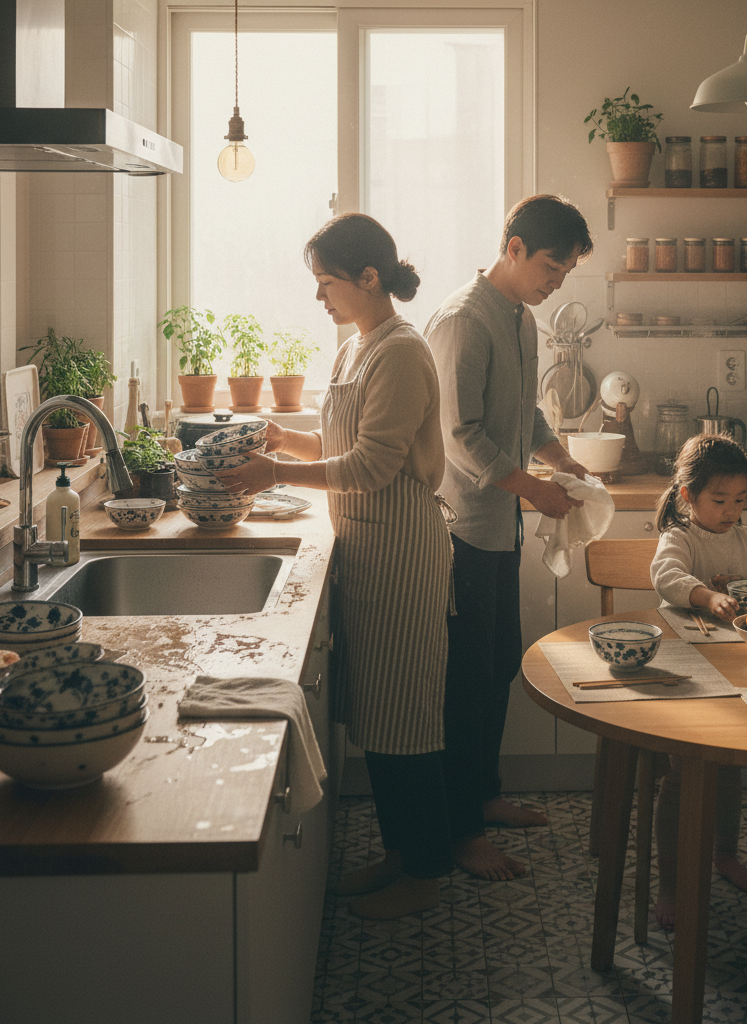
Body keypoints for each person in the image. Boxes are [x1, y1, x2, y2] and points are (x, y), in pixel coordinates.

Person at [214, 213, 454, 920]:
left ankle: (427, 874)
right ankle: (400, 855)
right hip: (370, 548)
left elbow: (375, 465)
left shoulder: (402, 351)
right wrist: (285, 439)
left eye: (326, 282)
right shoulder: (359, 347)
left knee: (407, 720)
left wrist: (273, 472)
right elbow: (349, 435)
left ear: (368, 278)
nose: (319, 296)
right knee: (381, 719)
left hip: (403, 552)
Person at [425, 194, 594, 881]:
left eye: (567, 272)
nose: (556, 281)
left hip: (500, 528)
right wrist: (532, 488)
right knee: (466, 682)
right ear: (515, 247)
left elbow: (520, 408)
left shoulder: (521, 319)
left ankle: (486, 796)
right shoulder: (463, 320)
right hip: (463, 529)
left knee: (497, 669)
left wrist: (557, 456)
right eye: (552, 266)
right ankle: (461, 832)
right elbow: (459, 434)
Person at [649, 433, 747, 924]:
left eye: (740, 500)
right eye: (719, 500)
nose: (731, 510)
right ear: (689, 497)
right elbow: (665, 576)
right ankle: (670, 884)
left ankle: (725, 854)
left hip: (734, 669)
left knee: (729, 767)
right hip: (684, 673)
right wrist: (706, 596)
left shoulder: (744, 538)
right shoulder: (680, 536)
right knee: (681, 775)